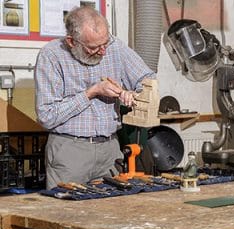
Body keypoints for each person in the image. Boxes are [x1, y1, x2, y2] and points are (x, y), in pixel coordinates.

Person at [35, 6, 155, 189]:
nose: (103, 52)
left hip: (110, 150)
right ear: (71, 42)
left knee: (111, 213)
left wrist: (134, 94)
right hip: (70, 152)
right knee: (66, 213)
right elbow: (47, 116)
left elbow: (148, 79)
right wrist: (91, 92)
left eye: (104, 44)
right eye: (93, 47)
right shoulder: (52, 56)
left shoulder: (115, 47)